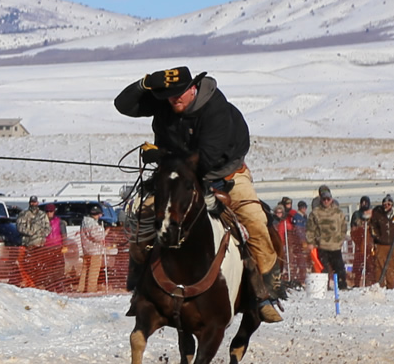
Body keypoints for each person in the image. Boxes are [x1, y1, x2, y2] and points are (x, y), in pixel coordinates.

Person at [114, 66, 283, 322]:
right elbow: (123, 105)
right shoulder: (166, 102)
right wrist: (145, 83)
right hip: (176, 177)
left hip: (225, 175)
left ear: (193, 88)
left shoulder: (216, 109)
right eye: (169, 95)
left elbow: (205, 159)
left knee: (255, 223)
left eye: (179, 93)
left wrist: (160, 155)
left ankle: (264, 294)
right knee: (142, 218)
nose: (174, 99)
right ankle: (140, 288)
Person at [307, 185, 348, 290]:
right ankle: (323, 288)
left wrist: (340, 239)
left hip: (335, 246)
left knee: (339, 269)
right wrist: (311, 242)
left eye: (328, 199)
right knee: (322, 270)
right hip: (322, 246)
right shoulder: (315, 213)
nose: (326, 201)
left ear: (331, 199)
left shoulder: (338, 212)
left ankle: (342, 287)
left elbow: (343, 227)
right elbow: (310, 229)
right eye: (324, 199)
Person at [368, 195, 394, 289]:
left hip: (392, 245)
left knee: (392, 267)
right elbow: (372, 228)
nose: (386, 206)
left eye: (389, 204)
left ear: (392, 205)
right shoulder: (377, 214)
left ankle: (391, 286)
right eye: (385, 204)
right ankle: (380, 285)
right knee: (379, 266)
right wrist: (377, 237)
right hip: (380, 245)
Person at [78, 204, 109, 293]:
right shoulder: (92, 223)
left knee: (85, 270)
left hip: (86, 249)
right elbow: (97, 236)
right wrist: (105, 232)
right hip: (94, 250)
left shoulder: (85, 221)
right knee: (93, 271)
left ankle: (82, 288)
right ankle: (91, 289)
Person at [351, 195, 374, 285]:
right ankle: (356, 283)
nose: (364, 204)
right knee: (358, 266)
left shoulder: (372, 214)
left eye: (366, 202)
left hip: (370, 244)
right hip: (359, 243)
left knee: (370, 266)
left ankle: (369, 283)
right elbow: (353, 230)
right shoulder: (356, 214)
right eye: (362, 202)